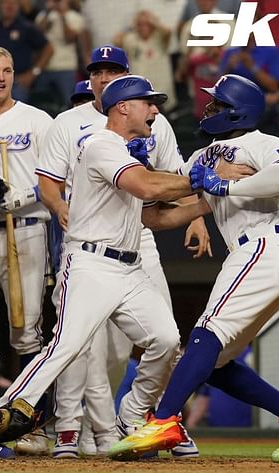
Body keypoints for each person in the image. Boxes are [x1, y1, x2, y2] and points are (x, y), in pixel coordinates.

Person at [0, 74, 210, 449]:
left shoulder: (129, 151)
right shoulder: (100, 145)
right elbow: (147, 187)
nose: (156, 110)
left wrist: (211, 202)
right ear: (123, 107)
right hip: (91, 263)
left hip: (129, 267)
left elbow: (155, 217)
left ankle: (132, 412)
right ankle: (8, 410)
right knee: (68, 344)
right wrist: (204, 178)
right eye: (148, 102)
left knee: (166, 339)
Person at [35, 45, 207, 458]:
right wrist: (61, 208)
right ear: (122, 103)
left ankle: (145, 420)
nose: (104, 76)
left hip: (137, 241)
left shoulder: (153, 123)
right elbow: (52, 182)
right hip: (91, 245)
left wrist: (201, 209)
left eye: (114, 70)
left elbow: (167, 182)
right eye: (99, 70)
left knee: (164, 339)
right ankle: (71, 429)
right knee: (79, 346)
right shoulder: (82, 130)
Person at [111, 74, 279, 460]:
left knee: (207, 332)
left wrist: (225, 187)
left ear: (237, 111)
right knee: (212, 363)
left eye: (217, 104)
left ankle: (165, 420)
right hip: (252, 253)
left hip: (265, 244)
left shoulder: (261, 143)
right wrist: (140, 165)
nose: (209, 109)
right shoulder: (202, 157)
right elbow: (159, 215)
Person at [0, 45, 54, 456]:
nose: (1, 77)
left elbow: (60, 178)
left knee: (26, 331)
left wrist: (22, 196)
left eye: (7, 70)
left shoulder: (38, 121)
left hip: (28, 229)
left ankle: (30, 423)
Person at [0, 0, 53, 102]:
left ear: (19, 5)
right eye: (6, 2)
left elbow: (48, 49)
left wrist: (34, 72)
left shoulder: (27, 28)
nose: (9, 6)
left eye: (13, 3)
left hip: (18, 82)